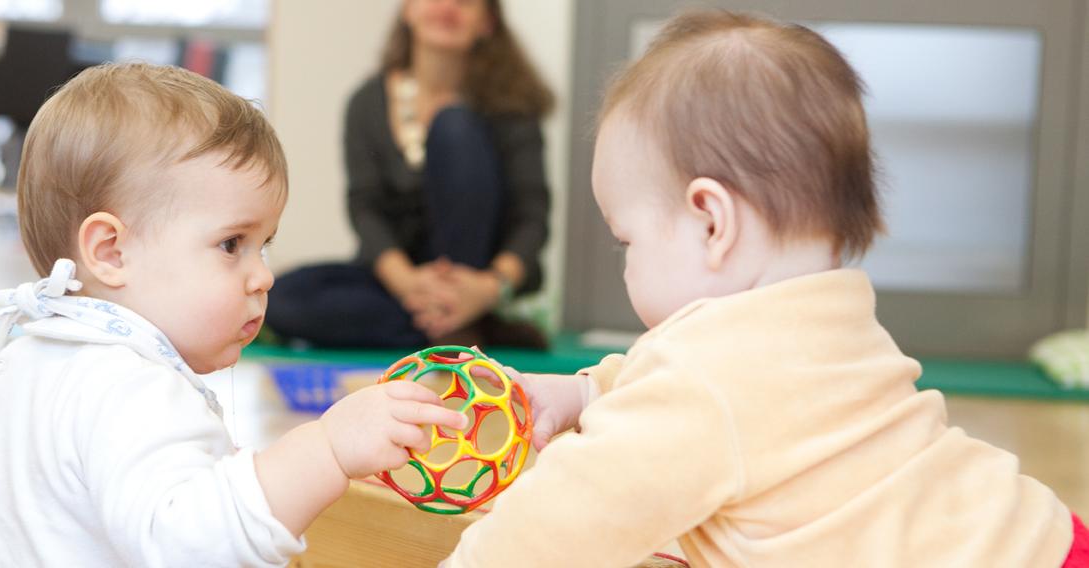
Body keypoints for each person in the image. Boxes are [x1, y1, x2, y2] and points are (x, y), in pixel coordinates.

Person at [445, 10, 1089, 567]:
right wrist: (587, 390)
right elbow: (700, 398)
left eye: (627, 241)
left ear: (711, 222)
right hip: (1034, 534)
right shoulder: (828, 319)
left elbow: (559, 524)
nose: (625, 263)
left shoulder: (704, 386)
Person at [0, 63, 465, 567]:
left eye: (264, 245)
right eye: (231, 243)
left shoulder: (28, 356)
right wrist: (326, 451)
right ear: (110, 252)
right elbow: (192, 547)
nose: (263, 277)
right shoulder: (130, 385)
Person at [266, 0, 554, 349]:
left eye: (464, 2)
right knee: (281, 298)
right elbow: (364, 206)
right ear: (408, 9)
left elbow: (532, 218)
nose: (447, 7)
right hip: (399, 280)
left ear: (488, 23)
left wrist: (487, 288)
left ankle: (458, 314)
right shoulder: (367, 101)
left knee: (454, 124)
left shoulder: (512, 105)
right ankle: (458, 327)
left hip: (480, 281)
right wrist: (406, 282)